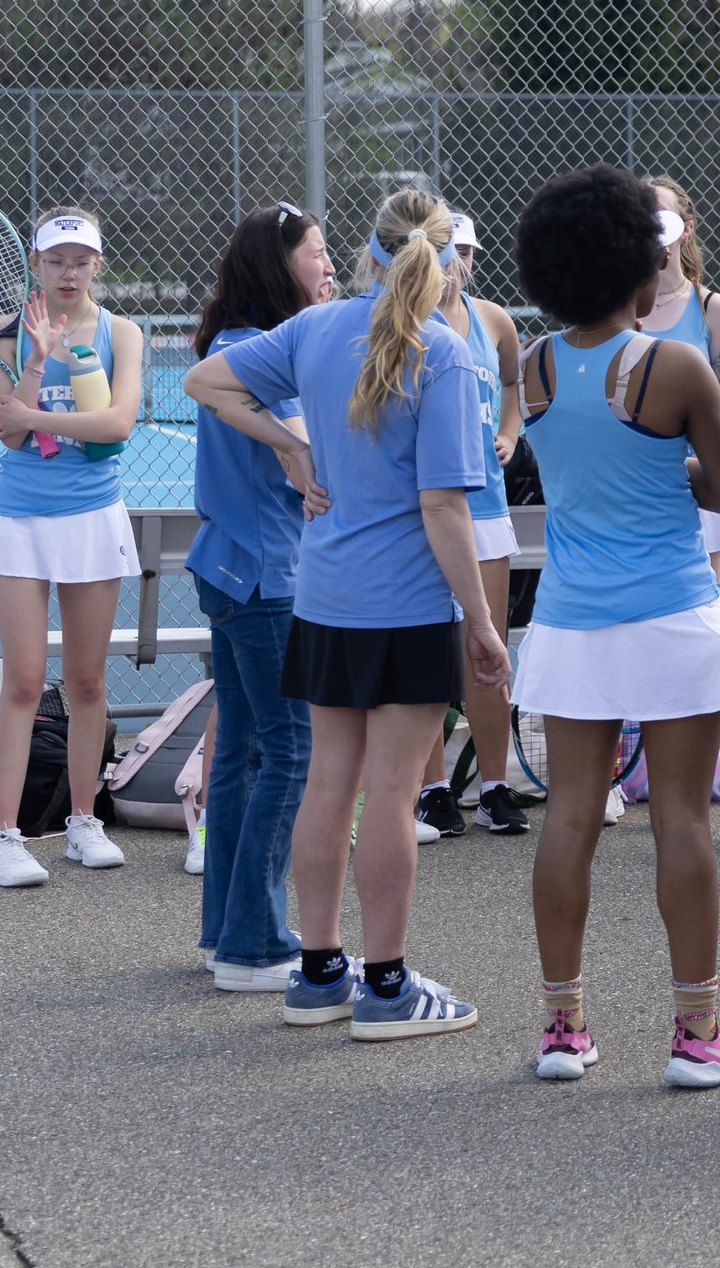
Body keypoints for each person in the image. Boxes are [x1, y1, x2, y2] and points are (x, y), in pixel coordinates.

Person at [185, 188, 507, 1040]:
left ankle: (320, 973)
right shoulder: (442, 353)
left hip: (323, 598)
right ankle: (387, 986)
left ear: (368, 250)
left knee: (330, 782)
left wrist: (291, 445)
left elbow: (204, 379)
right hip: (400, 606)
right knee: (393, 794)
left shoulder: (317, 328)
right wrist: (480, 620)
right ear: (445, 259)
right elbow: (444, 509)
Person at [510, 168, 720, 1086]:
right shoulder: (674, 365)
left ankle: (561, 1030)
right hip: (667, 613)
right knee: (683, 819)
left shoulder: (532, 364)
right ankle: (697, 1036)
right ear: (639, 266)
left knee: (570, 817)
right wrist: (676, 478)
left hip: (572, 622)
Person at [0, 208, 145, 888]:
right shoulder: (2, 336)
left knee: (87, 681)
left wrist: (37, 412)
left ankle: (82, 821)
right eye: (55, 261)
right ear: (35, 266)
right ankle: (3, 839)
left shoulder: (122, 333)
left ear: (97, 264)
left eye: (80, 260)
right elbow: (8, 438)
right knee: (19, 681)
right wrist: (36, 358)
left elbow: (116, 424)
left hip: (93, 517)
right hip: (20, 520)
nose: (68, 272)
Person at [186, 202, 337, 992]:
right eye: (316, 254)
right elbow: (299, 460)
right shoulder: (254, 355)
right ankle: (256, 943)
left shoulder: (242, 347)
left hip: (233, 570)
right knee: (291, 752)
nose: (330, 266)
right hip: (265, 578)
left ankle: (226, 933)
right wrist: (304, 450)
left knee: (244, 754)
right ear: (278, 265)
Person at [420, 212, 528, 839]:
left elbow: (512, 384)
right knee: (431, 649)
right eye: (443, 250)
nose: (455, 261)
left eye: (463, 249)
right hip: (431, 508)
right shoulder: (408, 324)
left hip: (485, 507)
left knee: (487, 653)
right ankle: (433, 788)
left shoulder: (493, 321)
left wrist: (510, 432)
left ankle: (493, 785)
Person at [639, 176, 720, 567]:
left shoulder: (710, 308)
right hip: (636, 479)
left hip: (694, 482)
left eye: (659, 216)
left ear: (687, 229)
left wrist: (704, 464)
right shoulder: (614, 306)